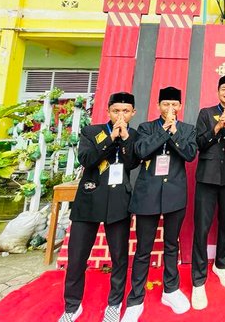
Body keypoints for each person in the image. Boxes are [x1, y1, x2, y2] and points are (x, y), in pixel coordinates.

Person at [59, 92, 139, 322]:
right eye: (116, 111)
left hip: (118, 201)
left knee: (119, 257)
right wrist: (110, 138)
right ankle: (72, 306)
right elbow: (86, 160)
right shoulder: (92, 132)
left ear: (133, 113)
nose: (121, 115)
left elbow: (132, 163)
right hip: (89, 199)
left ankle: (114, 304)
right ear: (108, 111)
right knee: (77, 257)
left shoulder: (134, 135)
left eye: (125, 111)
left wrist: (124, 139)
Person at [121, 87, 198, 322]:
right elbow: (141, 151)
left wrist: (174, 133)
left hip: (175, 195)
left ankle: (170, 290)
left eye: (174, 104)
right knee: (143, 249)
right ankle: (135, 299)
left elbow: (189, 154)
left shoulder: (187, 130)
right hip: (148, 195)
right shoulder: (146, 128)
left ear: (180, 107)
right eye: (166, 104)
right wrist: (164, 130)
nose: (170, 108)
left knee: (171, 245)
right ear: (158, 106)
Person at [191, 75, 225, 309]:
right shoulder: (206, 113)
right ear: (218, 92)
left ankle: (220, 264)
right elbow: (198, 143)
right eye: (223, 89)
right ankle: (198, 279)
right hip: (207, 177)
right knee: (202, 227)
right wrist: (216, 128)